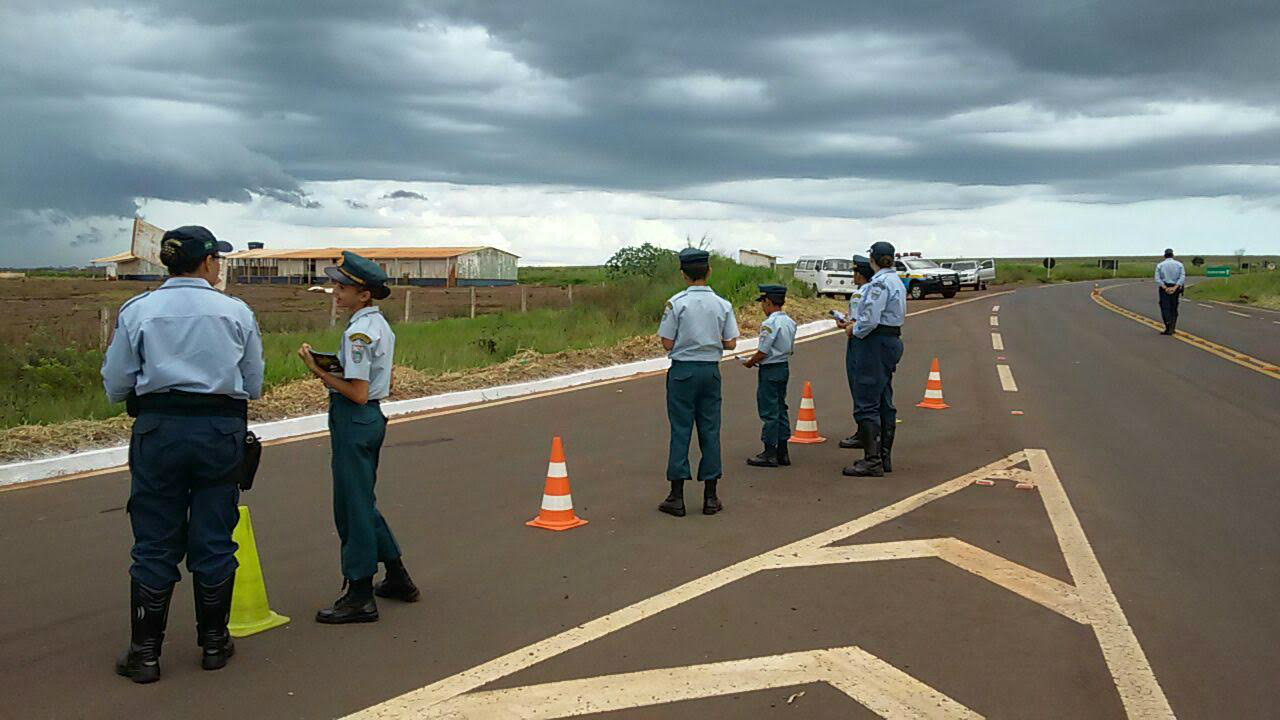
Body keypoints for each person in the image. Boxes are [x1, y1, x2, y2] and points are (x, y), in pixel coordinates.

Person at [102, 226, 263, 683]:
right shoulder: (235, 312)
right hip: (219, 430)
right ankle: (213, 644)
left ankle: (145, 653)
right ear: (209, 262)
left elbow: (116, 383)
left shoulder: (139, 310)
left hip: (160, 429)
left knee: (154, 538)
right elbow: (252, 383)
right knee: (214, 535)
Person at [297, 251, 419, 624]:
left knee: (351, 508)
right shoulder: (378, 326)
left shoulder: (358, 333)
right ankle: (397, 576)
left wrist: (317, 370)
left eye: (343, 286)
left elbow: (358, 392)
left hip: (355, 417)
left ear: (364, 294)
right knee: (361, 501)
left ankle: (359, 593)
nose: (335, 291)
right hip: (368, 419)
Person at [657, 248, 739, 516]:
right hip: (711, 370)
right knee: (710, 430)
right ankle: (711, 496)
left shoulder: (676, 303)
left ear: (683, 274)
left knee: (681, 430)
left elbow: (667, 342)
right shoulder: (723, 304)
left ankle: (676, 495)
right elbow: (731, 342)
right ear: (709, 271)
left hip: (683, 370)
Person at [843, 242, 906, 478]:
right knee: (883, 398)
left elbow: (869, 320)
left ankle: (872, 460)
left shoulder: (879, 284)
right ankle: (883, 455)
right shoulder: (896, 281)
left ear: (874, 260)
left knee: (867, 399)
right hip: (890, 339)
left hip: (875, 342)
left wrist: (853, 330)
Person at [742, 284, 796, 468]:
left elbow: (763, 351)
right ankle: (783, 450)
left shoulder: (769, 324)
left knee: (769, 410)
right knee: (781, 407)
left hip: (770, 369)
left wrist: (749, 362)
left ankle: (769, 452)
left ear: (768, 302)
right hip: (783, 366)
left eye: (763, 303)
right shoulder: (789, 321)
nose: (762, 307)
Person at [837, 255, 875, 450]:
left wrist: (846, 324)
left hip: (858, 342)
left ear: (859, 274)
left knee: (858, 385)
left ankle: (863, 432)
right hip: (872, 342)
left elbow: (856, 322)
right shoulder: (874, 289)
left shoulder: (859, 294)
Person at [1155, 249, 1186, 335]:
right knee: (1174, 307)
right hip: (1175, 287)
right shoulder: (1179, 265)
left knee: (1165, 307)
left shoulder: (1160, 265)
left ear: (1165, 255)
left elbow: (1157, 278)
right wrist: (1175, 287)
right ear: (1172, 255)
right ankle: (1172, 327)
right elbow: (1182, 277)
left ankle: (1168, 325)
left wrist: (1165, 288)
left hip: (1164, 287)